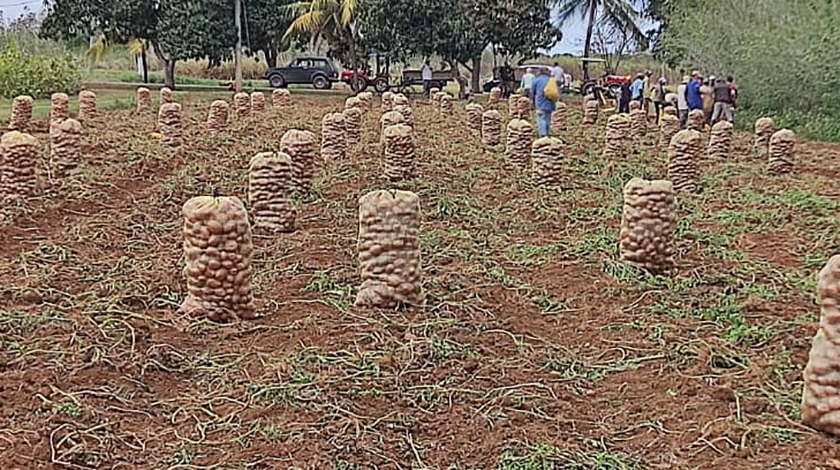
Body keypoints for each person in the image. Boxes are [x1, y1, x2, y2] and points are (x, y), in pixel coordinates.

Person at [531, 67, 556, 137]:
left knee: (541, 119)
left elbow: (532, 92)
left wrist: (532, 102)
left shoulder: (536, 80)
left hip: (540, 103)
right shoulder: (551, 80)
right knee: (548, 119)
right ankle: (547, 134)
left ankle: (543, 135)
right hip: (550, 103)